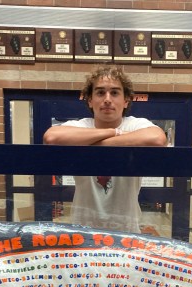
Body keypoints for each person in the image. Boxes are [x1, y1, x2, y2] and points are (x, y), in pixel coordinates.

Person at [43, 65, 167, 233]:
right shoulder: (80, 126)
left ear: (126, 101)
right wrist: (113, 132)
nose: (107, 99)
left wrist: (94, 144)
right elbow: (51, 138)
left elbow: (158, 139)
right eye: (100, 93)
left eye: (115, 93)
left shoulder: (135, 124)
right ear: (89, 100)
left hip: (126, 231)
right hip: (84, 232)